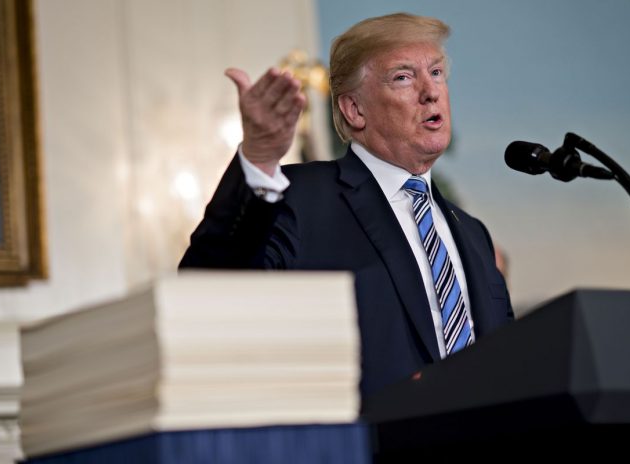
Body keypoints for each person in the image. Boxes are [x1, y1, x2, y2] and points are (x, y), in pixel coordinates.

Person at [180, 13, 514, 398]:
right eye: (404, 77)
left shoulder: (472, 233)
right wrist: (258, 158)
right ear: (354, 110)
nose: (431, 91)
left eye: (436, 72)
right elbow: (208, 290)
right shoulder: (300, 198)